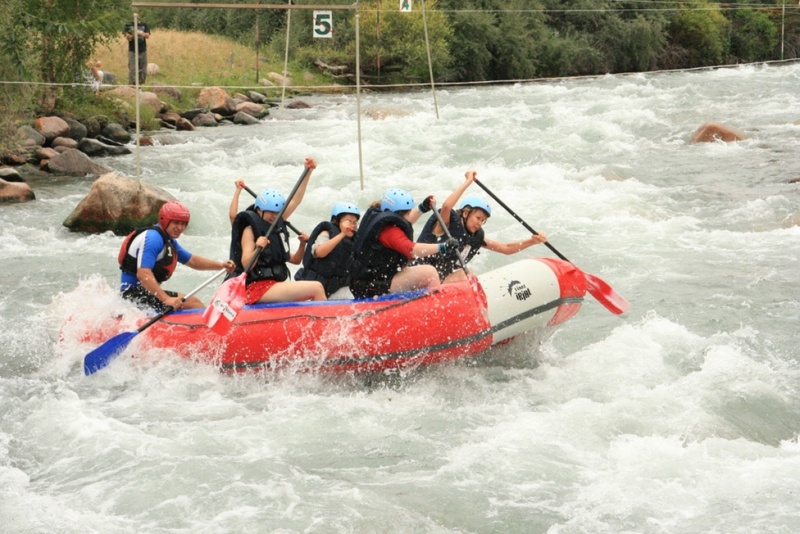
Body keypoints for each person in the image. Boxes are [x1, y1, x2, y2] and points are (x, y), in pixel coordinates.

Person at [416, 170, 548, 283]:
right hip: (418, 275)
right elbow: (446, 206)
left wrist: (532, 241)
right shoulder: (446, 223)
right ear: (466, 213)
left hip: (436, 282)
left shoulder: (476, 236)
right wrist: (468, 180)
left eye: (483, 220)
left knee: (468, 274)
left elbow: (506, 248)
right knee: (464, 275)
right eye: (478, 218)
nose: (480, 223)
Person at [228, 157, 326, 304]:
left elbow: (295, 200)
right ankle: (326, 327)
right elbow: (246, 263)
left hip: (274, 285)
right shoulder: (249, 230)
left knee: (314, 288)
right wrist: (258, 248)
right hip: (256, 288)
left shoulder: (276, 223)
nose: (275, 216)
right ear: (259, 210)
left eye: (277, 213)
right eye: (270, 212)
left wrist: (308, 172)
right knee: (316, 288)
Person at [119, 201, 235, 312]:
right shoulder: (153, 238)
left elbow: (192, 260)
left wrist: (221, 265)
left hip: (145, 293)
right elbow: (143, 273)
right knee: (193, 304)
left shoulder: (167, 240)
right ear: (164, 221)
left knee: (192, 302)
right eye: (176, 223)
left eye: (183, 223)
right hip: (133, 297)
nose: (180, 228)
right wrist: (166, 299)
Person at [348, 188, 459, 299]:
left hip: (370, 279)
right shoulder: (388, 231)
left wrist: (422, 208)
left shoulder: (381, 216)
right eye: (407, 213)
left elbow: (406, 221)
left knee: (420, 271)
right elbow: (411, 250)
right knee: (429, 273)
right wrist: (442, 246)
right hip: (370, 286)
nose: (408, 216)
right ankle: (436, 307)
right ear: (397, 213)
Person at [295, 201, 361, 298]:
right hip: (316, 286)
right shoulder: (326, 233)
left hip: (337, 287)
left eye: (355, 222)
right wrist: (342, 234)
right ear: (337, 221)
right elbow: (319, 252)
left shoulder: (354, 240)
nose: (352, 225)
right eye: (348, 221)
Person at [124, 20, 150, 86]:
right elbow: (127, 37)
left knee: (143, 70)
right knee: (133, 69)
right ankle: (131, 85)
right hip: (133, 50)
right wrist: (134, 34)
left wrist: (141, 33)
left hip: (143, 50)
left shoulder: (144, 25)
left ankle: (140, 85)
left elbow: (147, 35)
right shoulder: (128, 25)